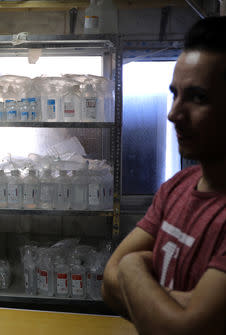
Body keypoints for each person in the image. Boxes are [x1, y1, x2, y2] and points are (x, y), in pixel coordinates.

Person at [102, 16, 226, 335]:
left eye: (198, 98)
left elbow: (182, 330)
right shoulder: (176, 188)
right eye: (175, 94)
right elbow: (109, 283)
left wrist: (133, 268)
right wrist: (173, 305)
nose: (173, 114)